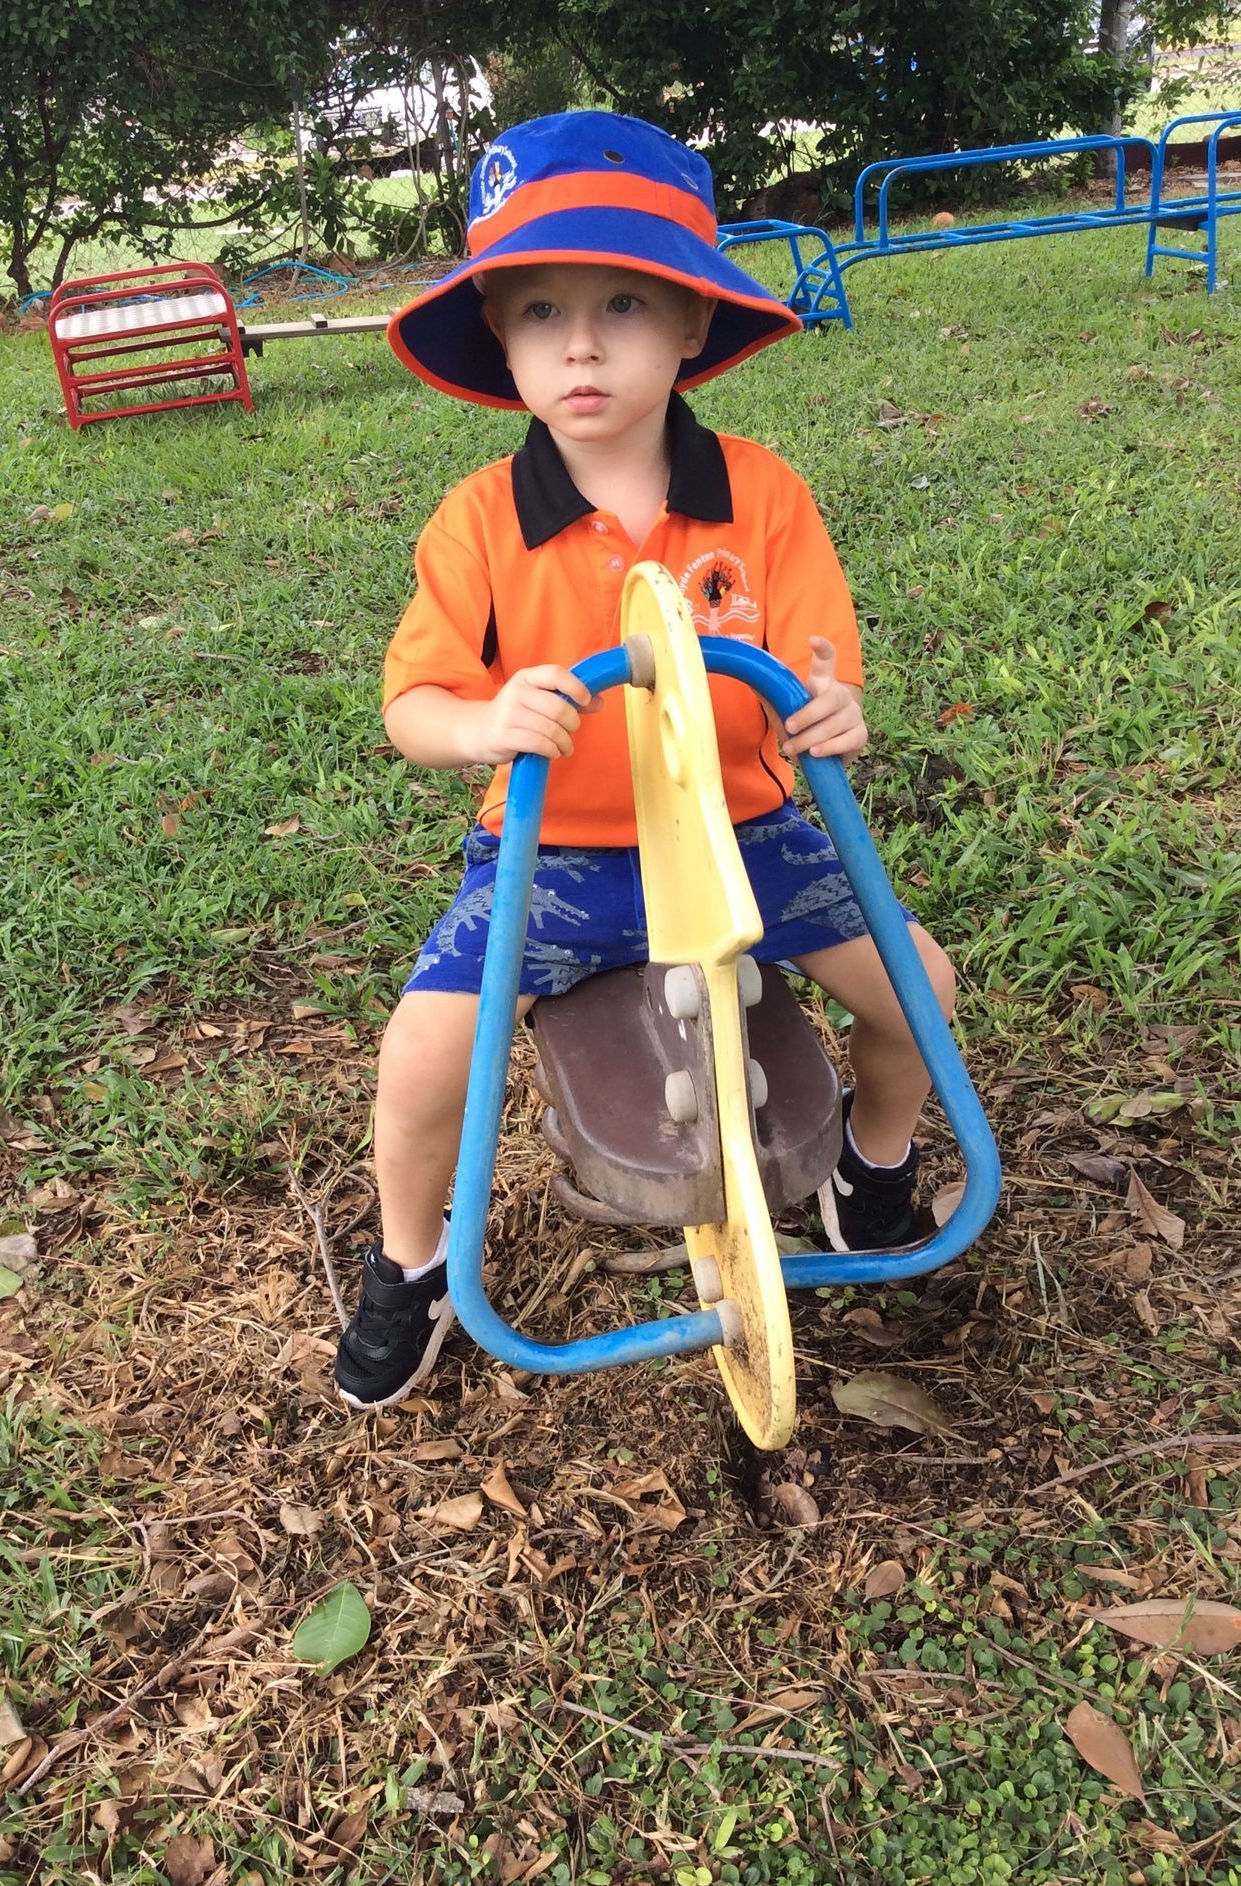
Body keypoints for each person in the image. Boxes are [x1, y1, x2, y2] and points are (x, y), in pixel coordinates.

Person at [333, 110, 957, 1412]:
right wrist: (485, 724)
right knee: (418, 1057)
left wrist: (829, 710)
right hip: (556, 851)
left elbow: (817, 668)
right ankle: (414, 1260)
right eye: (537, 310)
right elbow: (414, 705)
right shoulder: (480, 521)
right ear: (498, 338)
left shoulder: (762, 496)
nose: (577, 343)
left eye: (621, 303)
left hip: (749, 837)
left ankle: (872, 1164)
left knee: (920, 994)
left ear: (688, 327)